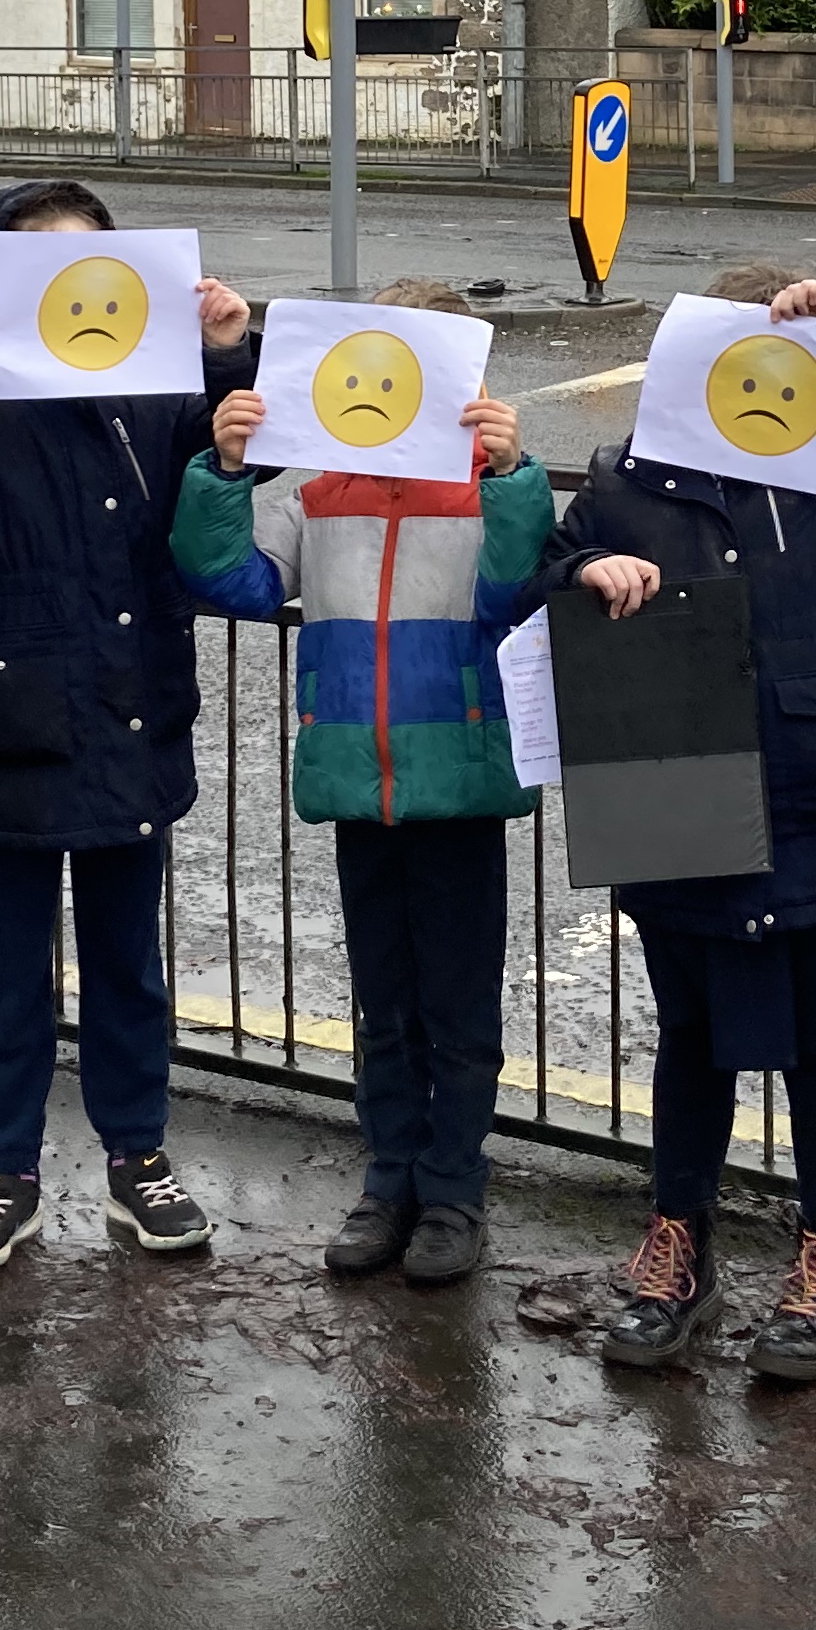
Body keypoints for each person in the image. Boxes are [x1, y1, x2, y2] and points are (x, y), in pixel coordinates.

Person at [549, 260, 816, 1384]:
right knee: (690, 1039)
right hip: (674, 790)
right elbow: (546, 577)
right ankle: (677, 1246)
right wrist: (591, 562)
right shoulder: (629, 480)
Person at [0, 179, 254, 1276]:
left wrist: (229, 355)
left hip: (133, 703)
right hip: (12, 716)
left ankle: (138, 1158)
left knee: (128, 961)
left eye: (91, 257)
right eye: (39, 261)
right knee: (11, 972)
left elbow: (231, 475)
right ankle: (7, 1170)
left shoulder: (155, 387)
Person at [174, 291, 549, 1287]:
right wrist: (223, 468)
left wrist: (513, 475)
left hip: (460, 788)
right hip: (359, 782)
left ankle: (454, 1190)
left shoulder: (485, 485)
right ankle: (388, 1184)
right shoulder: (321, 489)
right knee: (385, 1007)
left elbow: (519, 589)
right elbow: (235, 580)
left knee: (459, 1010)